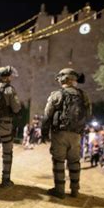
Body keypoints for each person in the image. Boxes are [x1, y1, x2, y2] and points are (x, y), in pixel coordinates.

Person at [42, 68, 91, 199]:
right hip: (76, 134)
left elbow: (47, 114)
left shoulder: (57, 94)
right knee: (74, 162)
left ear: (64, 79)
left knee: (58, 161)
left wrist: (44, 131)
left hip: (60, 133)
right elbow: (88, 114)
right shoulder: (83, 95)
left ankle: (60, 190)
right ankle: (75, 190)